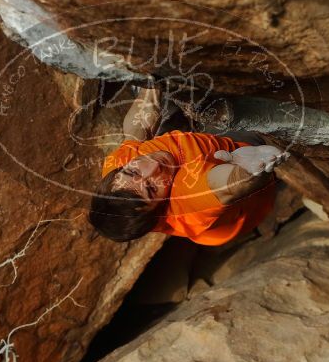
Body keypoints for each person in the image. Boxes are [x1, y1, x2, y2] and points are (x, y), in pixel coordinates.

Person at [88, 86, 285, 246]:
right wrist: (247, 170)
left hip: (191, 145)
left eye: (133, 171)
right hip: (239, 186)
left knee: (159, 91)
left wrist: (149, 81)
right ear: (161, 208)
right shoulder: (188, 201)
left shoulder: (118, 175)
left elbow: (134, 132)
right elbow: (229, 185)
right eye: (151, 188)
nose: (153, 166)